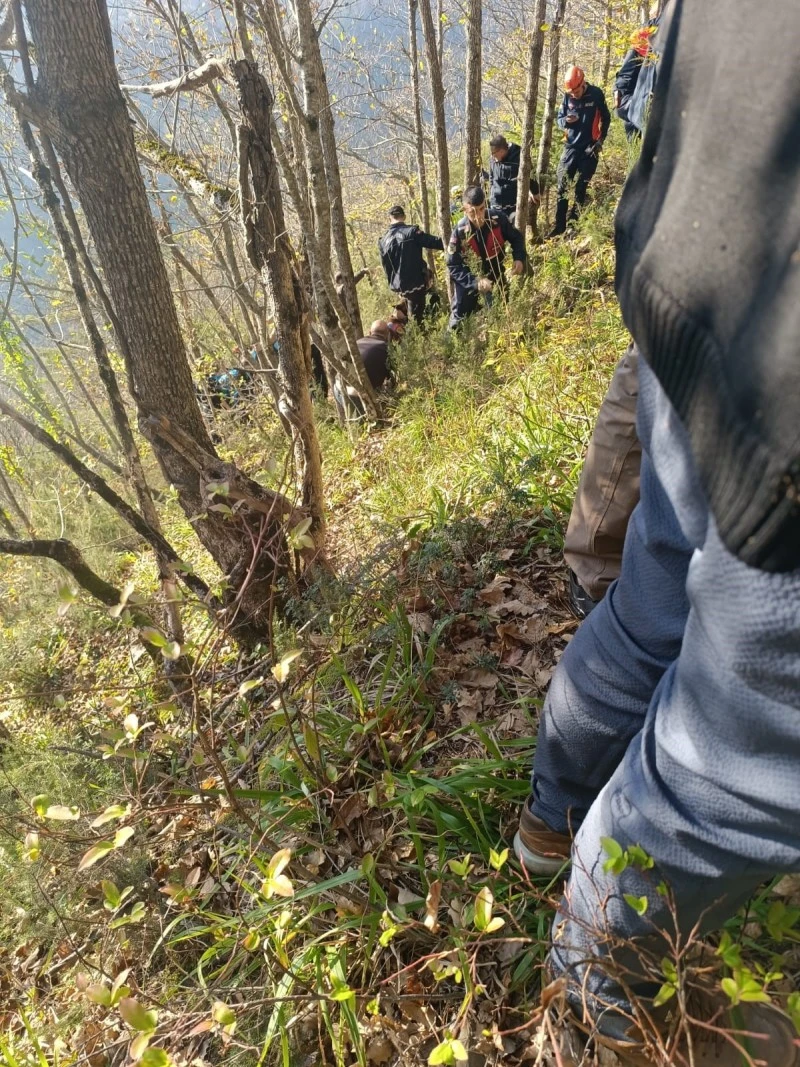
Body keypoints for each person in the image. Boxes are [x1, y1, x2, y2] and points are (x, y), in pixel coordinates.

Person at [516, 3, 800, 1064]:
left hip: (698, 272)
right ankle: (587, 1018)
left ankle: (547, 825)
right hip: (780, 387)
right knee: (728, 767)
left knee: (651, 604)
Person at [446, 185, 526, 329]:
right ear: (465, 210)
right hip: (469, 277)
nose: (479, 216)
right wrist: (475, 282)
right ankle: (449, 345)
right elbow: (453, 265)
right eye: (473, 212)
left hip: (494, 271)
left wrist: (518, 258)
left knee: (500, 311)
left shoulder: (498, 219)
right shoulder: (459, 232)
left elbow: (517, 239)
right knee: (459, 318)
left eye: (482, 209)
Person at [549, 65, 610, 238]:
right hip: (570, 149)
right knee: (562, 187)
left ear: (583, 83)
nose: (573, 94)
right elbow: (559, 119)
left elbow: (606, 118)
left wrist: (600, 141)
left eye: (576, 91)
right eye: (571, 92)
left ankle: (573, 225)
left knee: (580, 188)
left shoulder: (596, 94)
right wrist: (566, 122)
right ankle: (559, 226)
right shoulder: (567, 97)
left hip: (590, 149)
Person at [378, 206, 444, 325]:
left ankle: (414, 330)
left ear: (390, 218)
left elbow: (385, 266)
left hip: (398, 286)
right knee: (419, 318)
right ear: (404, 217)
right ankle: (421, 335)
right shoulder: (411, 232)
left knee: (414, 312)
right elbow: (434, 242)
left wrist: (394, 284)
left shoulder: (383, 241)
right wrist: (452, 241)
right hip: (416, 282)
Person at [333, 320, 394, 421]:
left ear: (370, 332)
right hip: (356, 395)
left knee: (355, 423)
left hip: (338, 387)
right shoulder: (387, 349)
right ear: (387, 334)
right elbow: (393, 378)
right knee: (366, 424)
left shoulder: (357, 342)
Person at [486, 135, 540, 226]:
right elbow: (491, 178)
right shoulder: (493, 158)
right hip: (495, 204)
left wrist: (534, 191)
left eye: (494, 153)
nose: (492, 156)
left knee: (513, 232)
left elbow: (530, 174)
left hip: (513, 205)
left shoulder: (519, 155)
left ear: (502, 151)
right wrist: (491, 194)